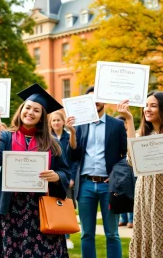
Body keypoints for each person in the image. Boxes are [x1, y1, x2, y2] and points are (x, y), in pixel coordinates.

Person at [0, 83, 71, 257]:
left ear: (42, 116)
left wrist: (55, 176)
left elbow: (65, 172)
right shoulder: (6, 136)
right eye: (28, 107)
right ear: (21, 109)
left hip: (41, 209)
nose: (30, 112)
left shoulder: (51, 142)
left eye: (36, 110)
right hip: (11, 209)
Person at [67, 86, 127, 258]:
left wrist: (115, 175)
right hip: (85, 185)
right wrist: (71, 133)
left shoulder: (116, 125)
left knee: (112, 234)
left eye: (98, 98)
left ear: (104, 100)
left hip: (109, 185)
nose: (95, 102)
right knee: (86, 233)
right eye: (91, 99)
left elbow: (126, 155)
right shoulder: (79, 125)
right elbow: (73, 155)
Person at [117, 92, 163, 258]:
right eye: (146, 105)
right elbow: (131, 159)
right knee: (146, 232)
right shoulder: (142, 135)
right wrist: (129, 119)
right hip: (145, 190)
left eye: (153, 106)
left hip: (162, 190)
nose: (147, 109)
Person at [49, 110, 78, 250]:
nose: (56, 123)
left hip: (67, 177)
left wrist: (71, 177)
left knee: (66, 207)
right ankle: (55, 233)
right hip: (53, 178)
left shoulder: (69, 136)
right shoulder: (47, 137)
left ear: (63, 122)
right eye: (53, 120)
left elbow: (74, 157)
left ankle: (67, 237)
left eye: (58, 120)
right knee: (54, 206)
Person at [115, 116, 134, 229]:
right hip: (120, 169)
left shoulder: (131, 134)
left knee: (130, 194)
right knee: (121, 194)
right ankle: (124, 219)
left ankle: (131, 220)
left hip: (131, 168)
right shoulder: (116, 136)